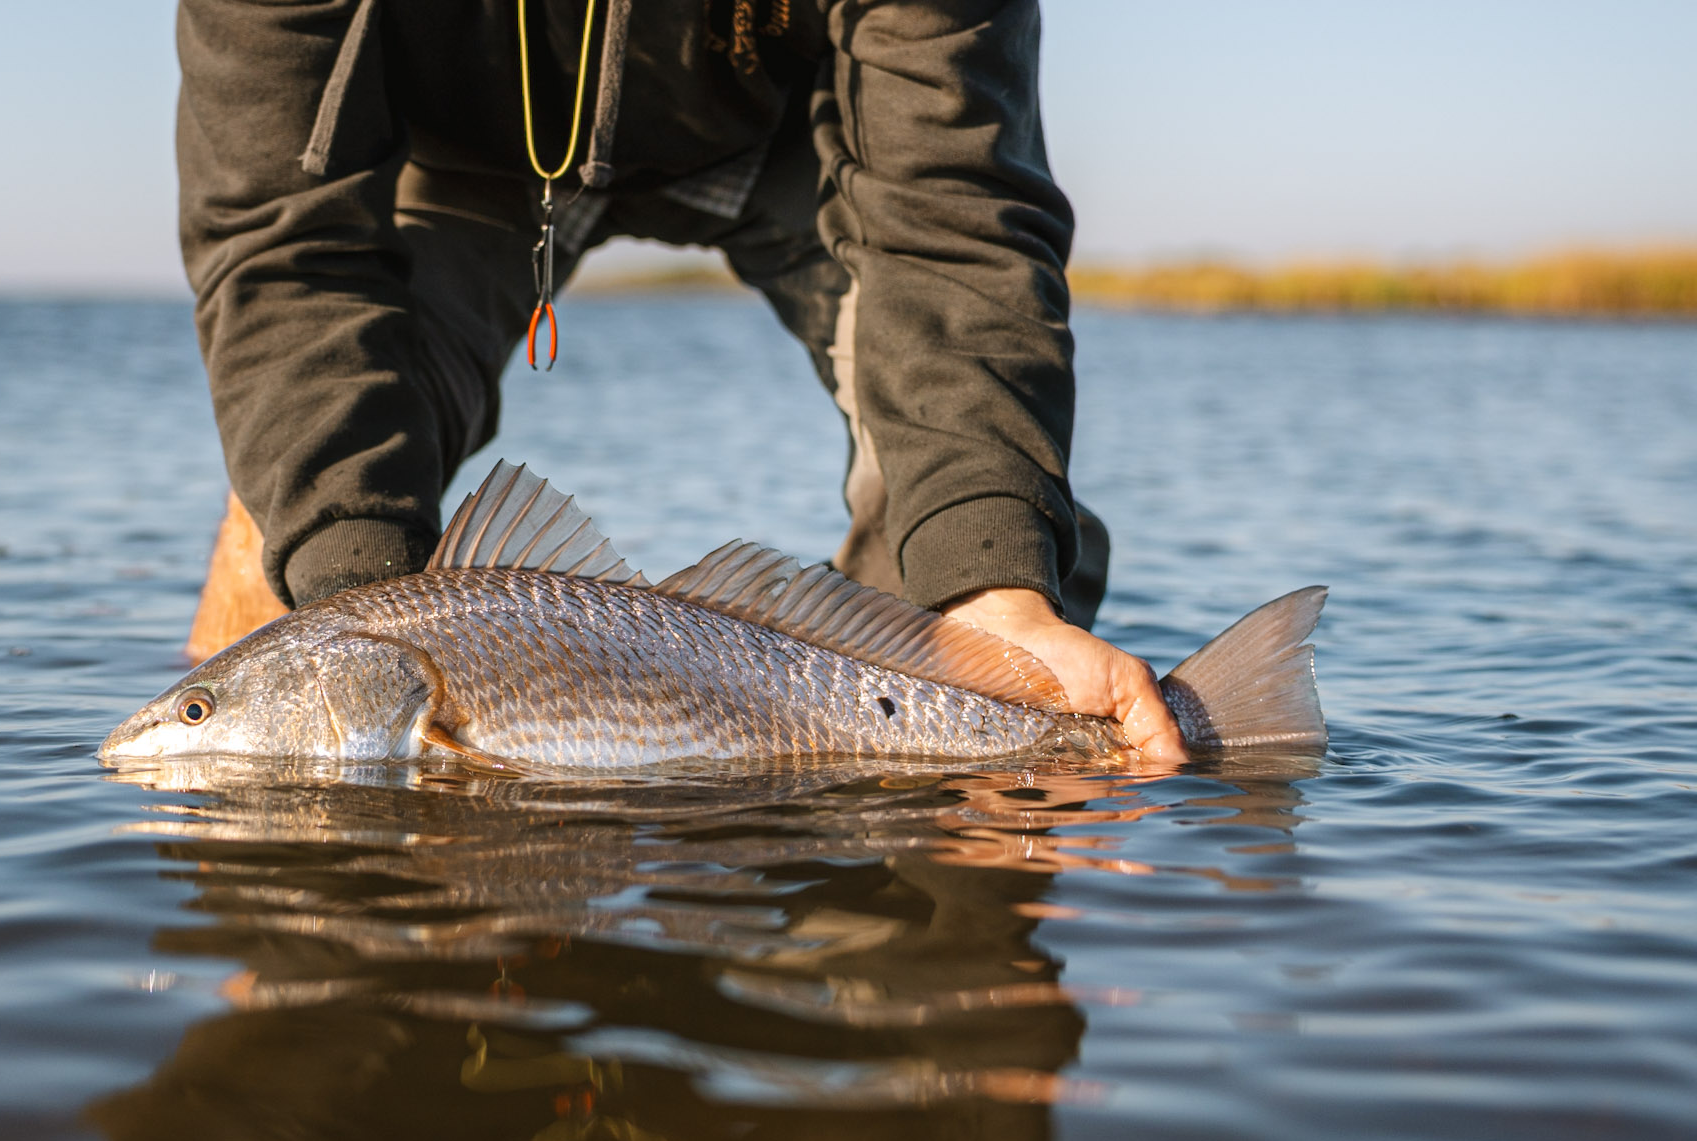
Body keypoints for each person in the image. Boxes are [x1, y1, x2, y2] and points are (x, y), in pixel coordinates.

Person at [175, 0, 1187, 761]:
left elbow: (949, 222)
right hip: (464, 164)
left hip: (802, 138)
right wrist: (359, 616)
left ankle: (919, 913)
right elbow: (281, 242)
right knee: (296, 524)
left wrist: (992, 592)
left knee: (979, 547)